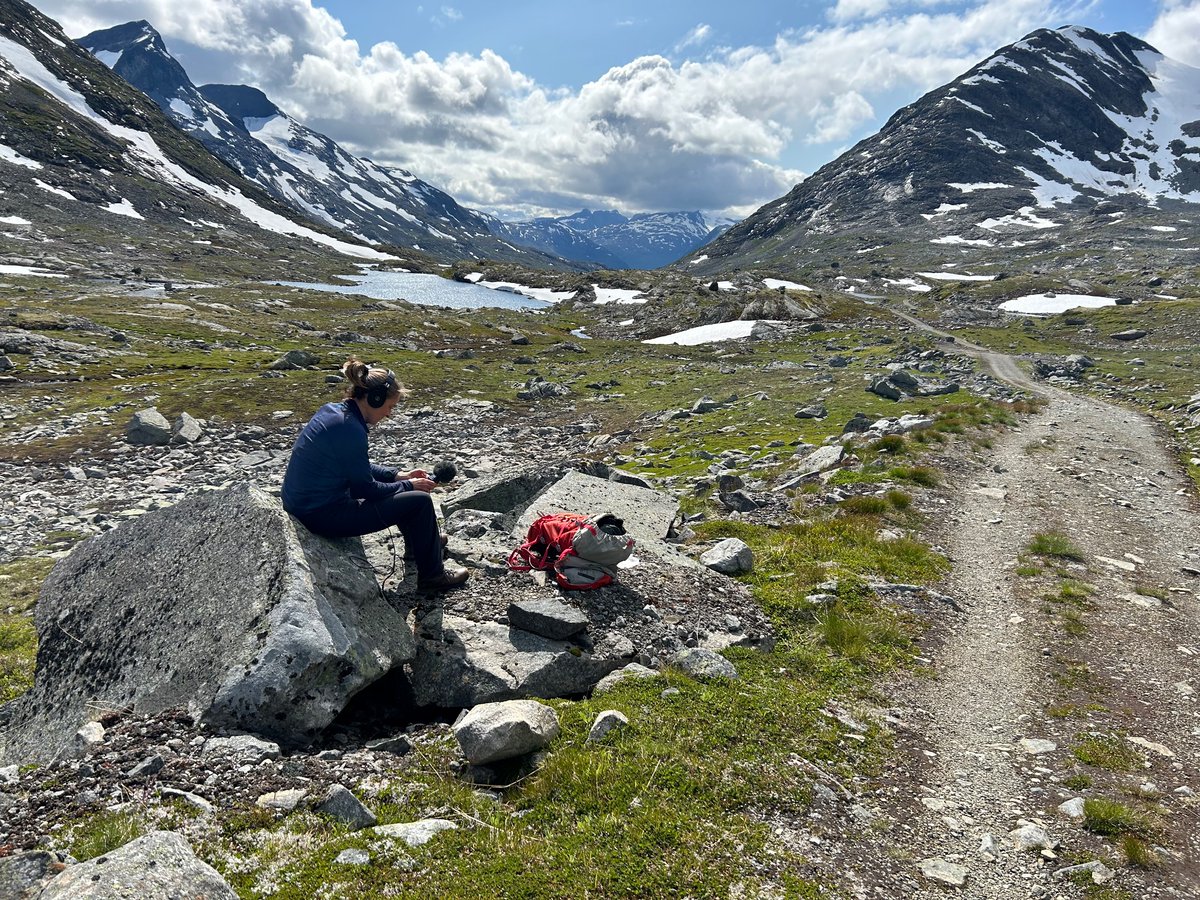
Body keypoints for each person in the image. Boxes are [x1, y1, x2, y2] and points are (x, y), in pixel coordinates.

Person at [281, 357, 468, 592]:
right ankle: (433, 577)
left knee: (402, 488)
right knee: (419, 500)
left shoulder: (333, 412)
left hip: (304, 505)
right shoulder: (350, 430)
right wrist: (410, 485)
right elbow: (366, 489)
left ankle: (420, 543)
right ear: (375, 398)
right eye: (390, 406)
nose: (389, 414)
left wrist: (398, 475)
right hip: (320, 516)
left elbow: (354, 467)